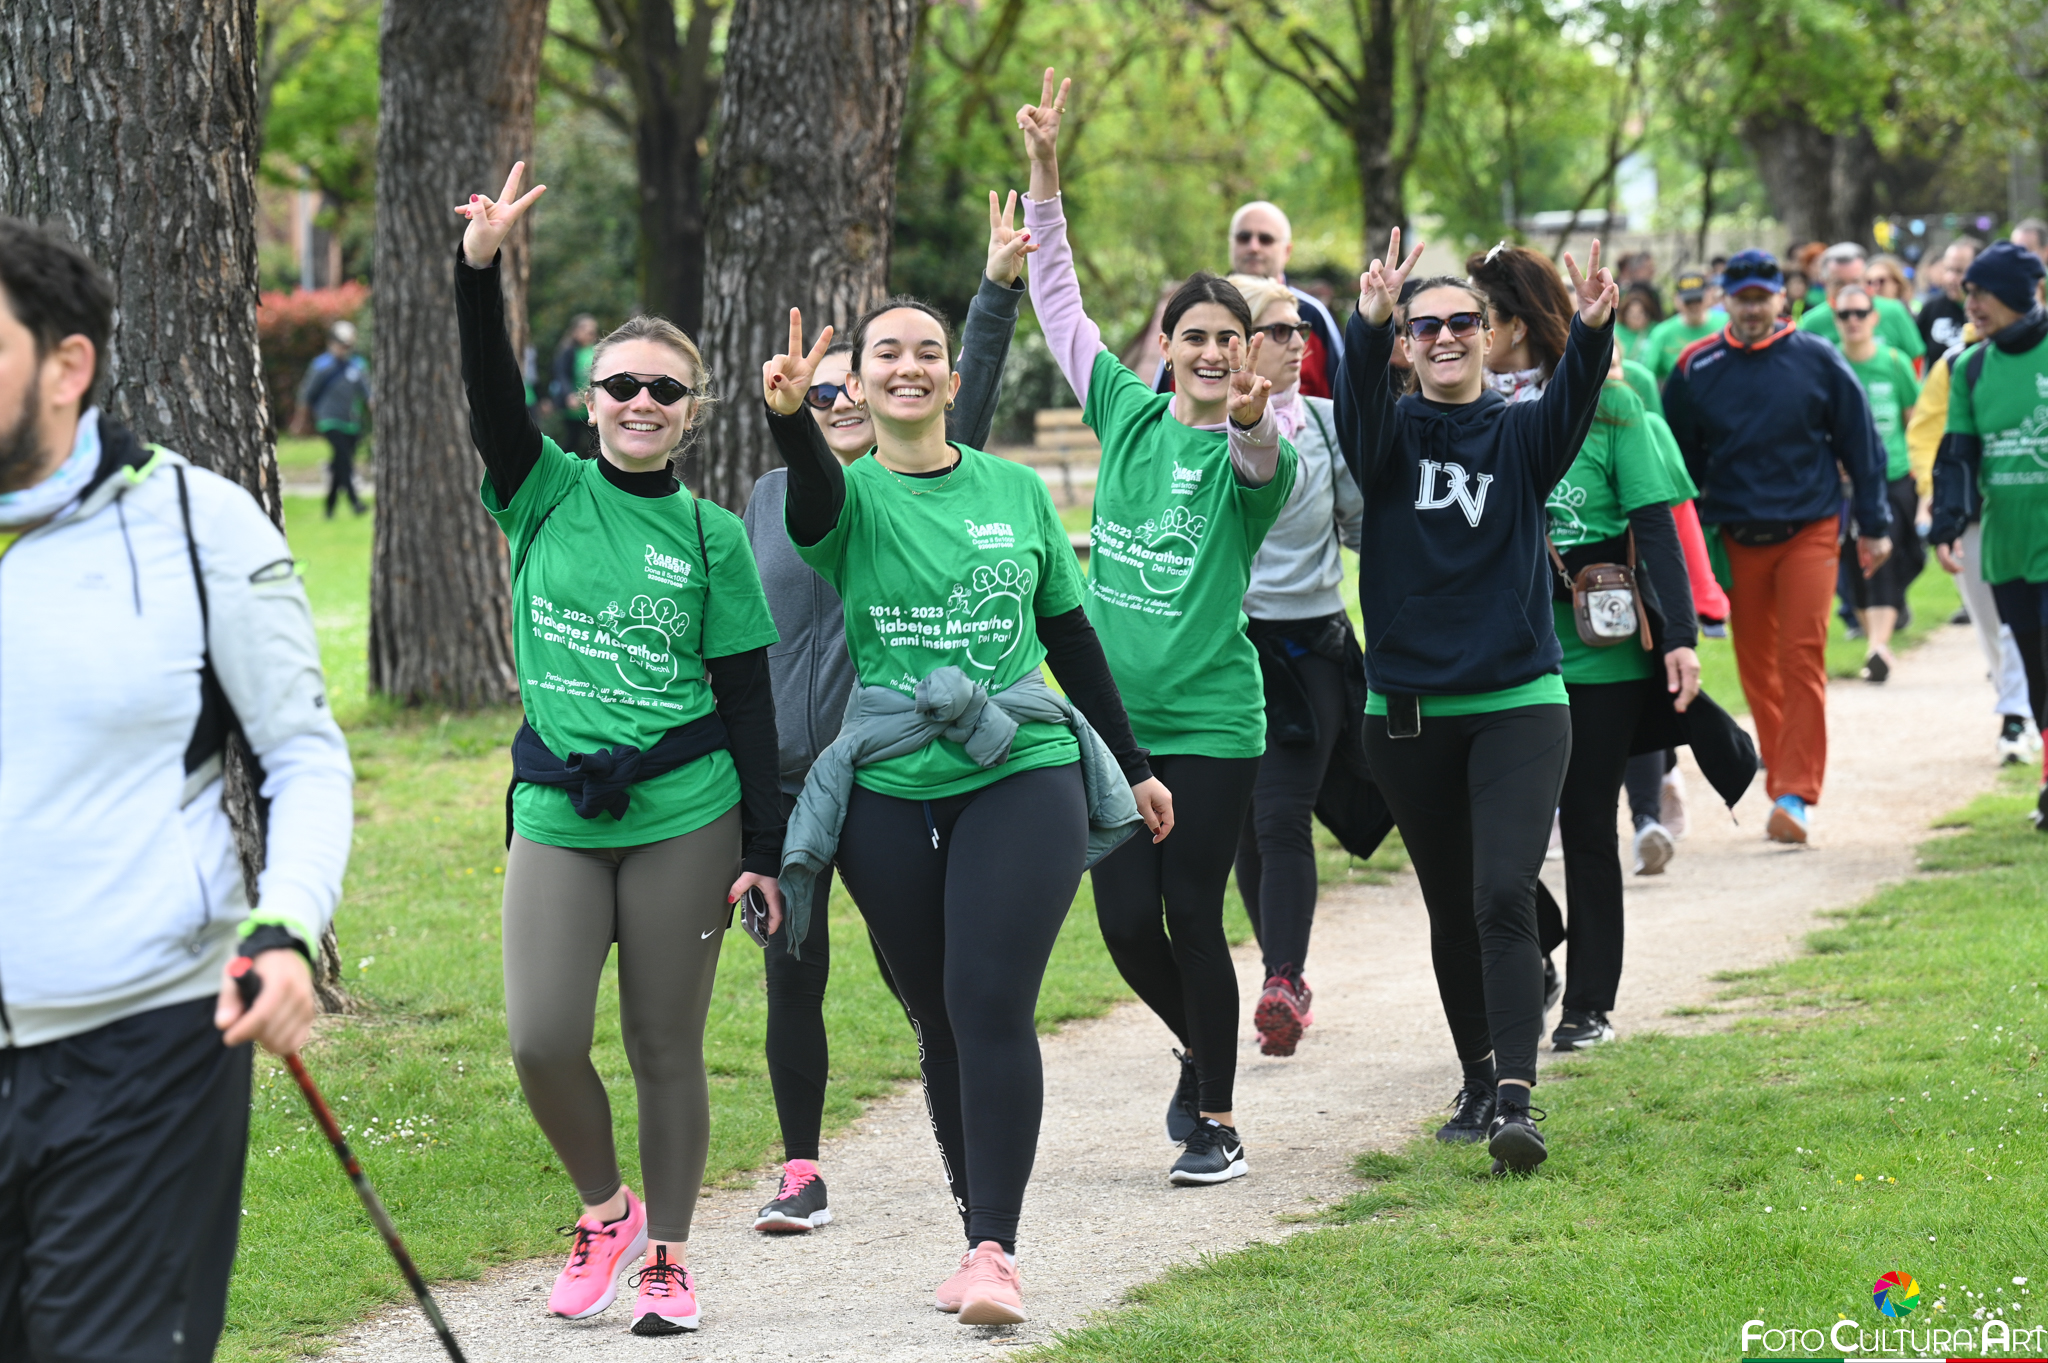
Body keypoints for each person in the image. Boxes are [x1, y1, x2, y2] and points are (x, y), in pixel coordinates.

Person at [765, 253, 1169, 1322]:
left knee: (990, 1000)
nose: (907, 368)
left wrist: (1131, 763)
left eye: (926, 354)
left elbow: (1070, 634)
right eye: (883, 354)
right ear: (852, 382)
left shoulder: (1012, 489)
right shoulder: (843, 498)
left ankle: (994, 1250)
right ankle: (970, 1221)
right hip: (887, 777)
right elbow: (808, 500)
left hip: (1017, 759)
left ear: (951, 380)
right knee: (936, 1013)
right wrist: (788, 422)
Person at [0, 217, 355, 1360]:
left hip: (141, 1044)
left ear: (68, 366)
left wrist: (289, 923)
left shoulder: (198, 523)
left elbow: (302, 753)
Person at [454, 165, 786, 1337]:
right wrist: (477, 271)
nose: (641, 400)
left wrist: (764, 847)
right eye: (621, 385)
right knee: (541, 1036)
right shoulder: (538, 492)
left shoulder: (709, 536)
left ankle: (671, 1258)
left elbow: (748, 701)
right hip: (557, 805)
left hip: (684, 812)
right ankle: (606, 1209)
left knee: (661, 1042)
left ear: (693, 411)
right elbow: (489, 393)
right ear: (589, 399)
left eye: (666, 389)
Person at [1021, 70, 1298, 1187]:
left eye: (1229, 336)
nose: (1210, 348)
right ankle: (1201, 1038)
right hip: (1112, 722)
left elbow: (1257, 458)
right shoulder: (1125, 414)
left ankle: (1217, 1118)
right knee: (1126, 922)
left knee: (1189, 907)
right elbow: (1055, 301)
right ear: (1167, 343)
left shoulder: (1257, 445)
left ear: (1246, 351)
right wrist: (1046, 174)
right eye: (1193, 334)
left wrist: (1250, 414)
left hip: (1214, 722)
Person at [741, 192, 1029, 1236]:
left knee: (931, 988)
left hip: (898, 773)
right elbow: (735, 648)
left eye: (847, 391)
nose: (841, 406)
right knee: (791, 970)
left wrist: (994, 288)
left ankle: (969, 1157)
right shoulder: (770, 503)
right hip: (789, 782)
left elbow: (969, 381)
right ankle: (800, 1167)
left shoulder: (917, 489)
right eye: (818, 396)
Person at [1334, 223, 1618, 1173]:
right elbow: (1356, 409)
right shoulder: (1385, 437)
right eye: (1427, 326)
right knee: (1453, 906)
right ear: (1409, 344)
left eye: (1465, 321)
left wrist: (1591, 331)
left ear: (1493, 334)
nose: (1447, 336)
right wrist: (1367, 321)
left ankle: (1514, 1100)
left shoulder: (1523, 433)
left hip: (1519, 703)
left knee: (1502, 890)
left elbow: (1574, 397)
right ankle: (1474, 1070)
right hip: (1407, 715)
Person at [1468, 243, 1699, 1054]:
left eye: (1481, 317)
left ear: (1522, 324)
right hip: (1496, 657)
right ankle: (1533, 946)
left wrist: (1679, 636)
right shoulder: (1460, 406)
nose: (1467, 330)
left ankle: (1589, 1004)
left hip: (1595, 654)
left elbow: (1653, 519)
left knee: (1590, 828)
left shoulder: (1611, 401)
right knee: (1492, 841)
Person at [1664, 249, 1892, 845]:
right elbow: (1679, 465)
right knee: (1756, 670)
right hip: (1737, 533)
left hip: (1810, 527)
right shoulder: (1696, 367)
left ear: (1780, 299)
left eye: (1763, 297)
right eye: (1742, 298)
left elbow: (1862, 446)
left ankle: (1796, 792)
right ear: (1724, 301)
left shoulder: (1817, 359)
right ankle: (1783, 782)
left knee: (1801, 657)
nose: (1753, 308)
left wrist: (1874, 522)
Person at [1224, 270, 1366, 1058]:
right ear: (1241, 340)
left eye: (1303, 331)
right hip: (1227, 650)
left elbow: (1356, 522)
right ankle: (1281, 971)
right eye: (1282, 329)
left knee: (1281, 814)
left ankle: (1284, 976)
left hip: (1310, 645)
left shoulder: (1324, 419)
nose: (1299, 343)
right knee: (1249, 825)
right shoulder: (1200, 427)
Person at [1929, 241, 2048, 826]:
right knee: (2035, 671)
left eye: (1981, 293)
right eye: (1967, 292)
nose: (1970, 303)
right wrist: (1947, 522)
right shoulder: (1970, 367)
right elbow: (1958, 455)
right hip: (2006, 547)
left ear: (2015, 295)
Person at [1910, 319, 2040, 764]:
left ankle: (2017, 716)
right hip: (1974, 514)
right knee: (1993, 624)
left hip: (2030, 510)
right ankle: (2015, 710)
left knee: (2025, 624)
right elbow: (1930, 436)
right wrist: (1935, 496)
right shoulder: (1958, 365)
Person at [1828, 282, 1923, 681]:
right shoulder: (1831, 364)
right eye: (1845, 315)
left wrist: (1920, 469)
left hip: (1895, 475)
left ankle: (1880, 637)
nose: (1853, 321)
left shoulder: (1895, 362)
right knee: (1861, 561)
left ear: (1874, 317)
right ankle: (1877, 645)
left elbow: (1913, 419)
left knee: (1909, 555)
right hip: (1849, 484)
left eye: (1860, 313)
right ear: (1836, 319)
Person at [1798, 242, 1926, 364]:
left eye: (1855, 281)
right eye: (1839, 283)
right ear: (1824, 282)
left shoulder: (1893, 311)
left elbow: (1916, 358)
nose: (1848, 290)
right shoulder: (1810, 323)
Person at [297, 318, 372, 517]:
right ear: (331, 343)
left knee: (341, 462)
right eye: (341, 344)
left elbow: (367, 393)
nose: (344, 348)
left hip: (351, 422)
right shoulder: (321, 366)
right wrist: (300, 420)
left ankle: (329, 507)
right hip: (329, 419)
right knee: (344, 460)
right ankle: (356, 503)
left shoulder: (357, 365)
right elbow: (307, 394)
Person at [1638, 268, 1722, 382]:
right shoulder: (1662, 333)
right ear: (1676, 299)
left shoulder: (1726, 324)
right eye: (1688, 301)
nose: (1694, 305)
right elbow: (1646, 376)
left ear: (1709, 295)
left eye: (1698, 299)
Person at [1918, 237, 1981, 356]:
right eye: (1948, 269)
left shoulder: (1989, 311)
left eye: (1959, 271)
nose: (1950, 278)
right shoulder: (1931, 308)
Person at [551, 313, 599, 453]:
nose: (590, 332)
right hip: (574, 407)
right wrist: (568, 395)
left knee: (596, 442)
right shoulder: (568, 352)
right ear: (576, 331)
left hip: (594, 406)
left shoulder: (598, 350)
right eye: (585, 329)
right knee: (573, 440)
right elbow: (561, 375)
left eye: (592, 329)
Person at [1616, 285, 1662, 365]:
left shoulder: (1657, 331)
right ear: (1624, 314)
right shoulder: (1616, 331)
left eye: (1640, 313)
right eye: (1631, 314)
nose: (1636, 318)